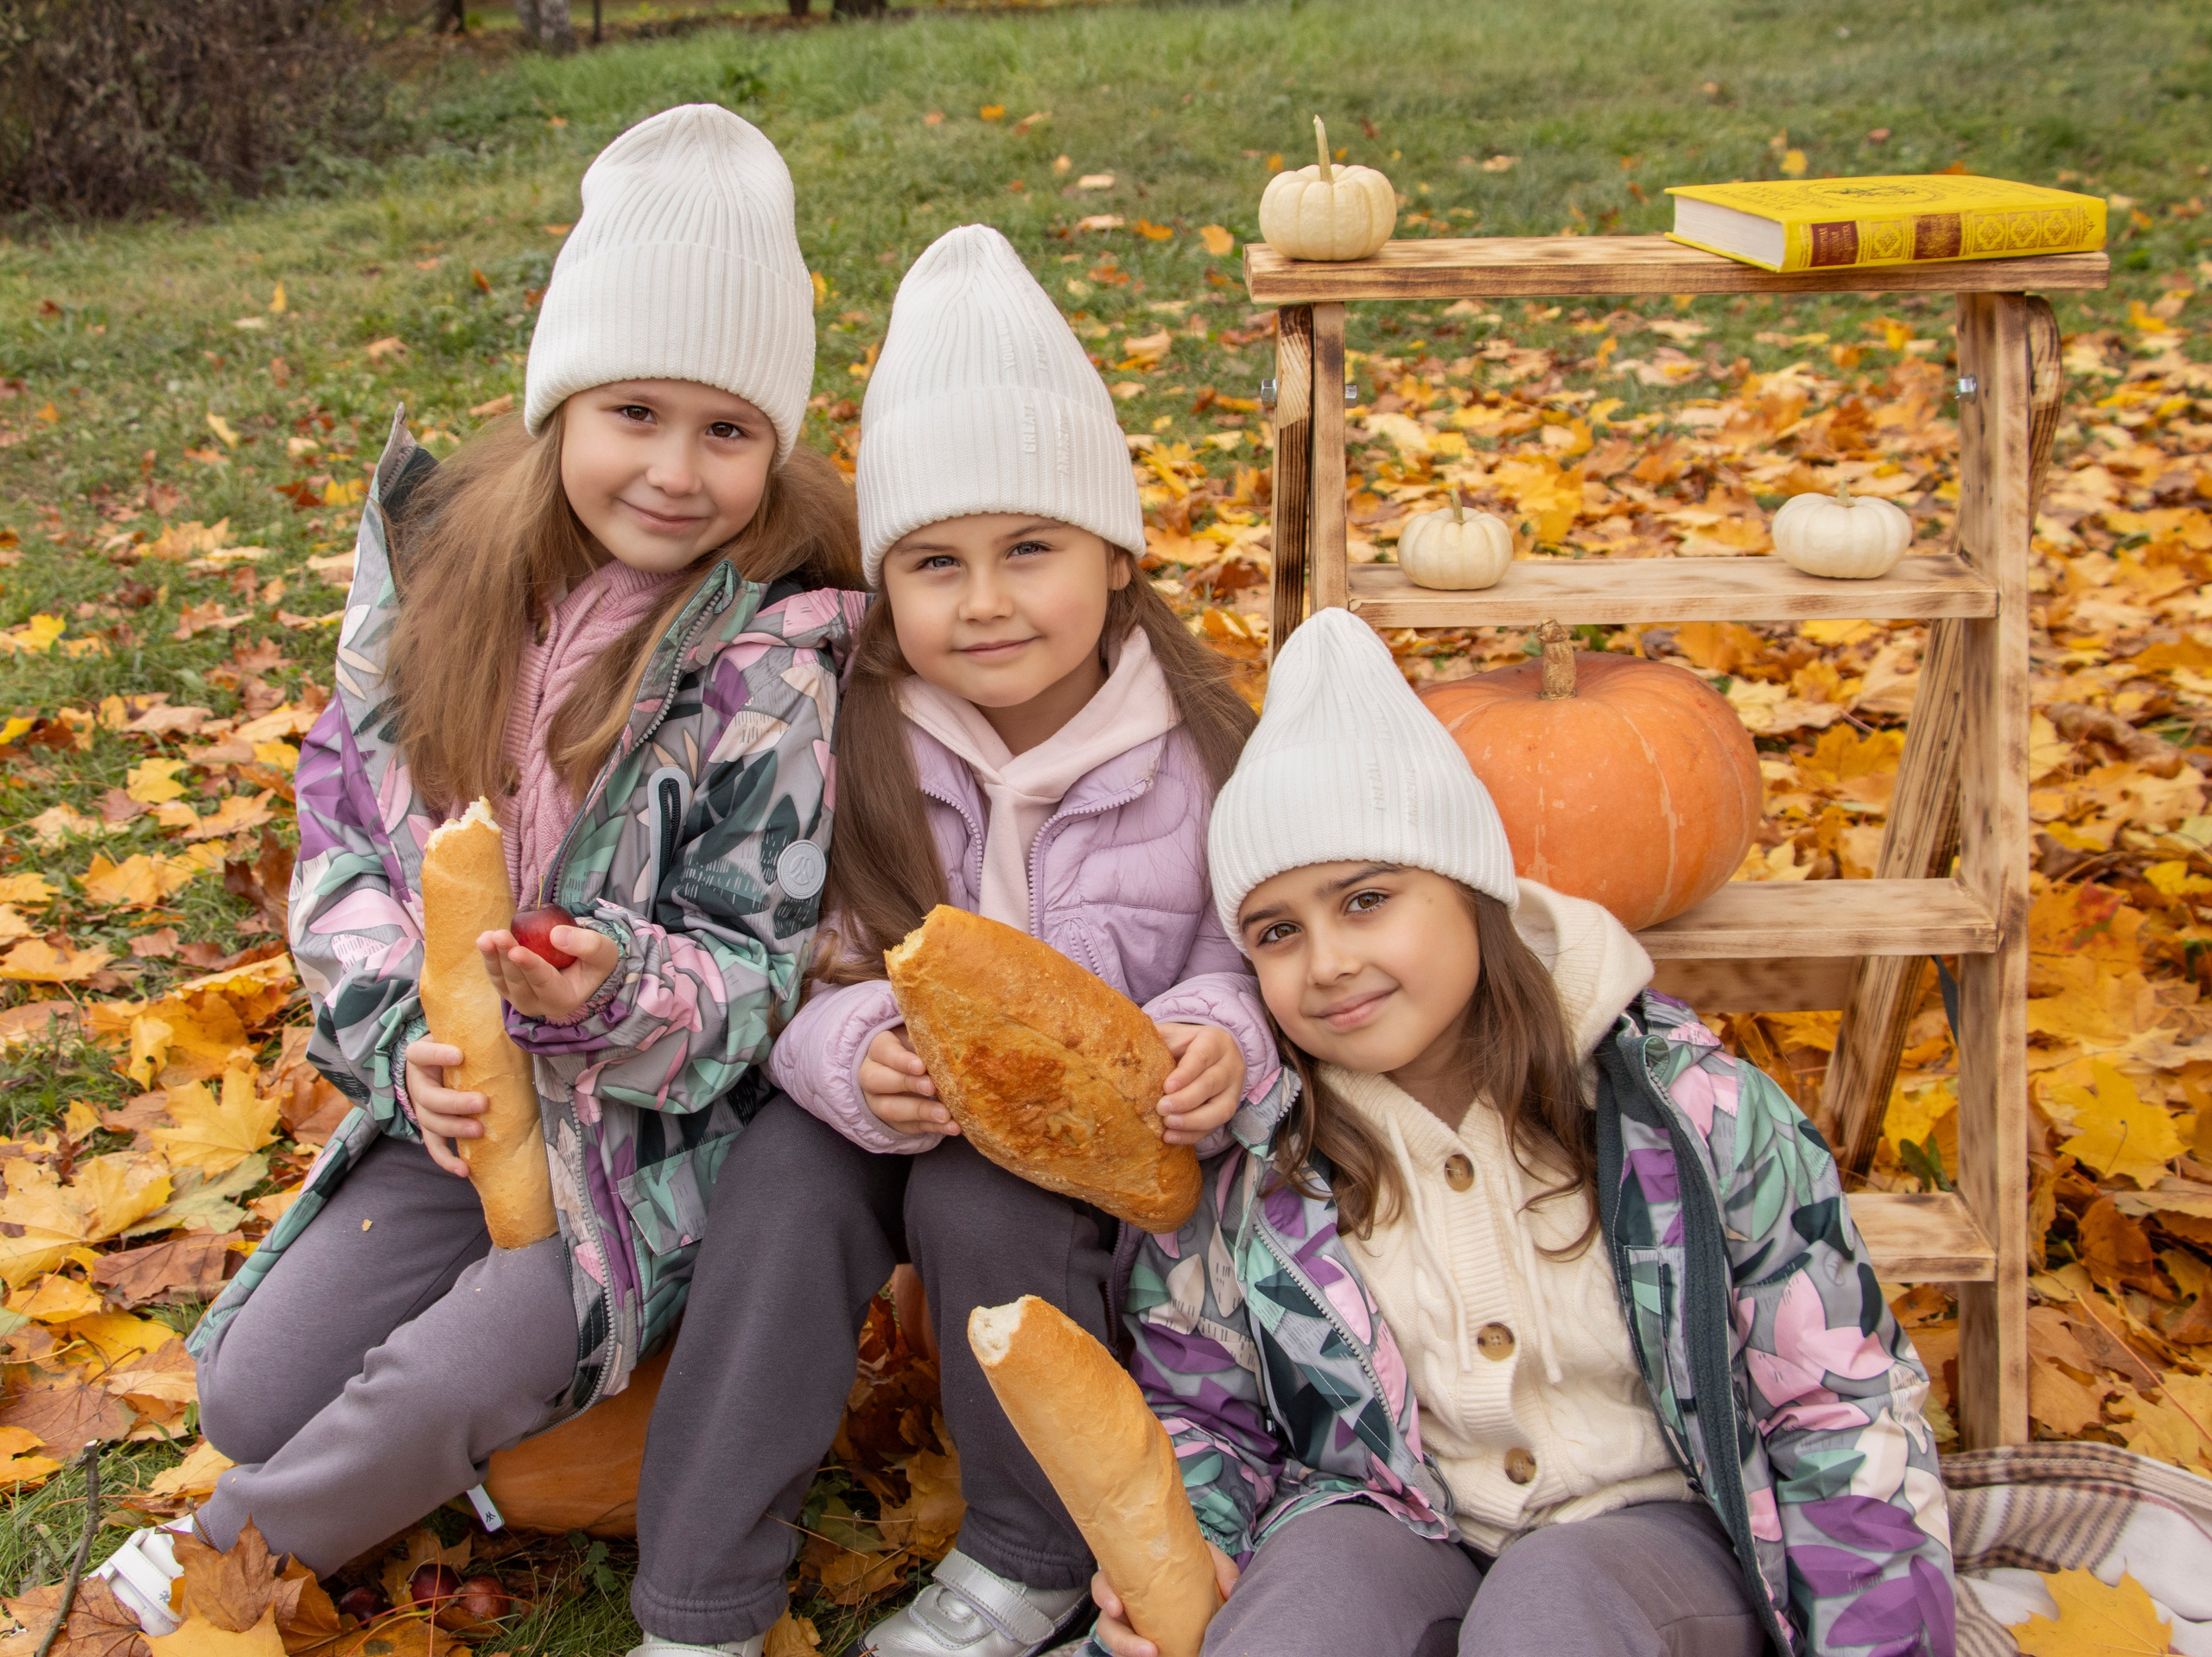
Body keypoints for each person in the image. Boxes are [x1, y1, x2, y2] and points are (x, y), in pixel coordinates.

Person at [97, 104, 864, 1639]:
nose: (673, 469)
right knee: (253, 1385)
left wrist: (612, 987)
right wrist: (408, 1041)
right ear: (562, 401)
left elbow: (756, 943)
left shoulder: (774, 655)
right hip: (463, 1106)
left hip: (660, 1134)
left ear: (773, 446)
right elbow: (350, 842)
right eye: (635, 411)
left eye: (727, 430)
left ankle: (207, 1562)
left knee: (485, 1345)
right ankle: (400, 1445)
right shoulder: (444, 584)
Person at [627, 224, 1288, 1657]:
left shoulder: (1204, 755)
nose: (985, 602)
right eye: (935, 564)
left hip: (1110, 1161)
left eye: (1029, 549)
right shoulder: (855, 742)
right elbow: (806, 962)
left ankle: (1025, 1552)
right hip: (899, 1104)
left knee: (997, 1203)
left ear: (1116, 559)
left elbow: (1258, 959)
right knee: (786, 1180)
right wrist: (858, 1053)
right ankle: (697, 1598)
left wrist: (1220, 1038)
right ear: (889, 590)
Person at [1089, 608, 1957, 1657]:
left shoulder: (1691, 1115)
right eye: (1277, 931)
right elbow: (1202, 1410)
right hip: (1397, 1517)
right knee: (1303, 1612)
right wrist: (1194, 1549)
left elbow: (1836, 1402)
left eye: (1366, 900)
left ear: (1472, 892)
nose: (1324, 962)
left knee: (1551, 1606)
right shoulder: (1258, 1159)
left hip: (1651, 1538)